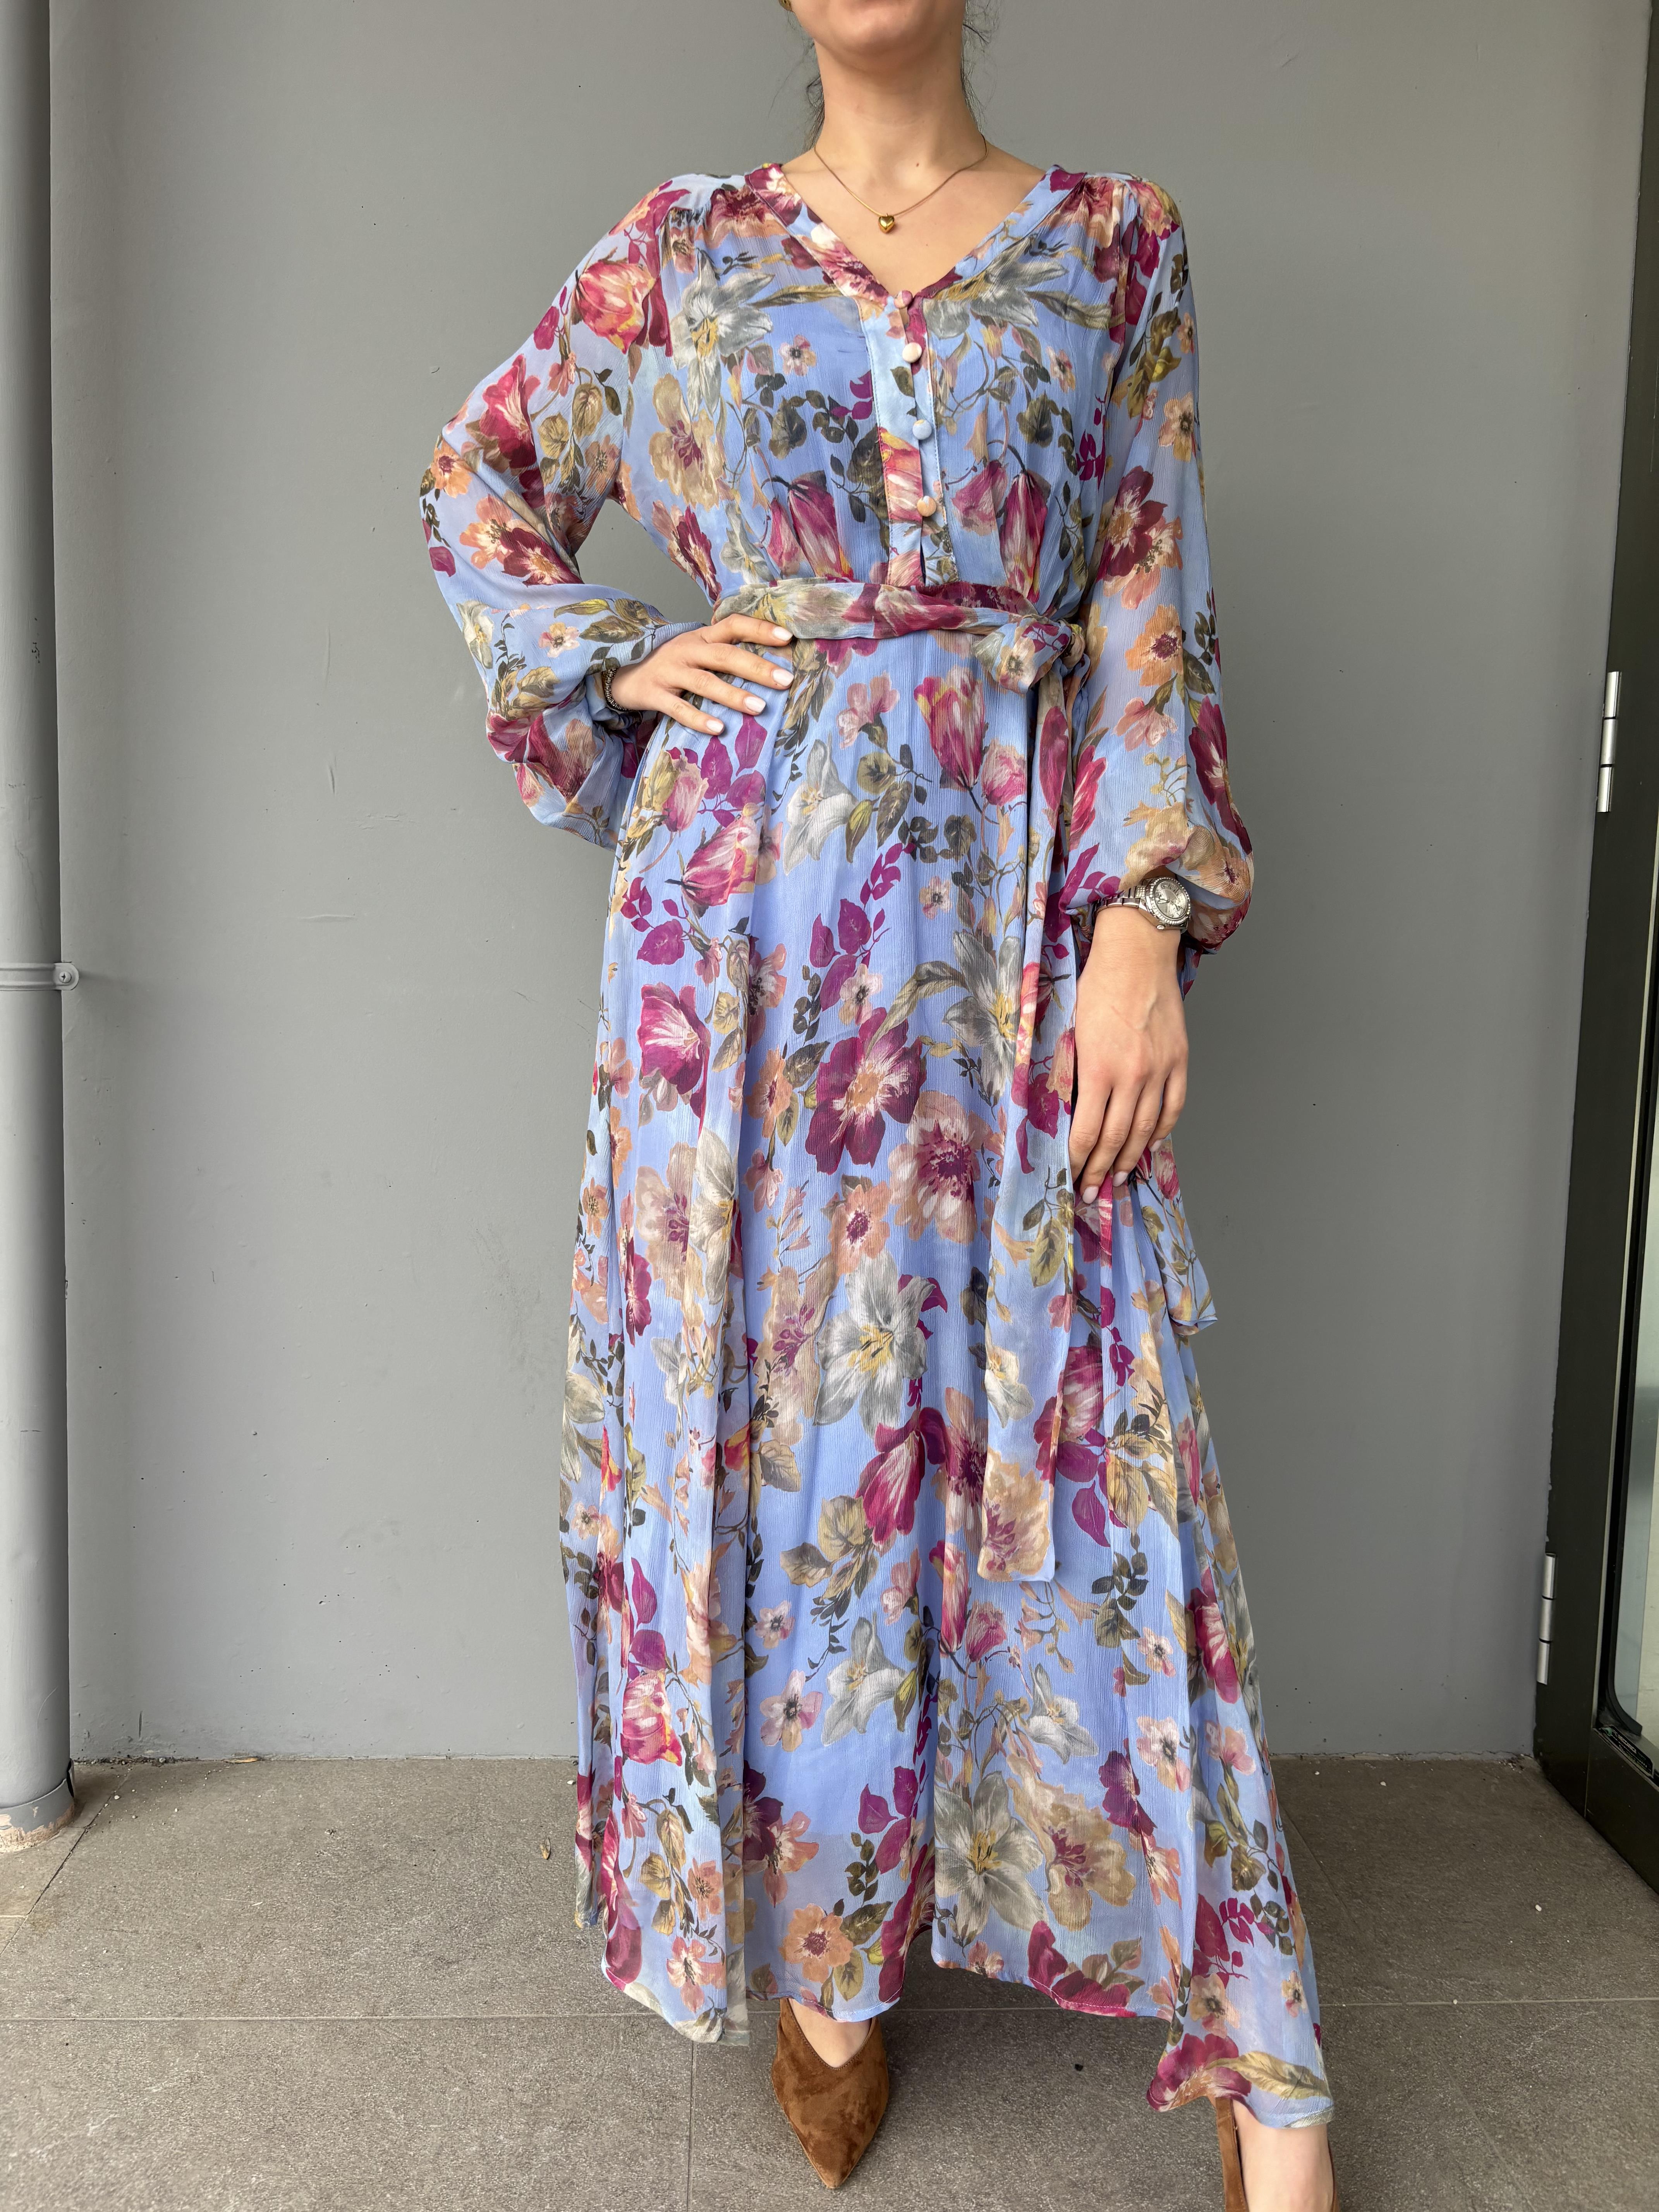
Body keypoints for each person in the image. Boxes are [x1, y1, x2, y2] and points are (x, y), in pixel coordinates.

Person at [419, 3, 1337, 2204]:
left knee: (1089, 1411)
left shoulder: (1116, 246)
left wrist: (1142, 925)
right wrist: (614, 657)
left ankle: (1264, 2051)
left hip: (1016, 906)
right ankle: (831, 1957)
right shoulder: (682, 249)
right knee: (788, 1416)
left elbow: (1153, 597)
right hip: (740, 941)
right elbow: (478, 480)